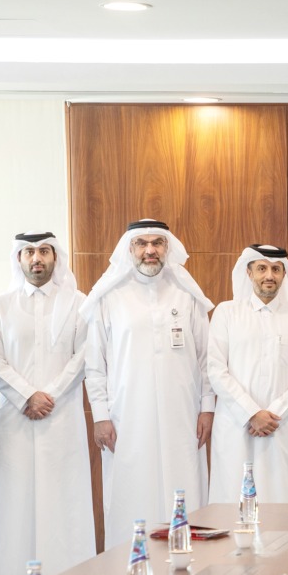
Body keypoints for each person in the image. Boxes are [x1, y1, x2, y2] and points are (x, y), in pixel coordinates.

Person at [82, 219, 215, 548]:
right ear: (130, 249)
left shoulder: (187, 295)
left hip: (182, 416)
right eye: (142, 244)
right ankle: (128, 564)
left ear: (167, 248)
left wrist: (207, 409)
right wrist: (100, 415)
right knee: (131, 490)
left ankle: (186, 561)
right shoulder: (109, 297)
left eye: (157, 243)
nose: (150, 250)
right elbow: (94, 364)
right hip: (127, 417)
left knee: (183, 484)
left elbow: (206, 359)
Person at [0, 232, 95, 575]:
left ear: (55, 257)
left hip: (61, 418)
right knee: (13, 498)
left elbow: (85, 356)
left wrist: (50, 396)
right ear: (19, 258)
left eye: (44, 251)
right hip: (15, 416)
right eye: (29, 252)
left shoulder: (79, 304)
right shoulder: (0, 305)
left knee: (63, 497)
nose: (36, 259)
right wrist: (27, 395)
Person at [207, 244, 288, 503]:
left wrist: (272, 414)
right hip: (236, 426)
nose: (269, 275)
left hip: (280, 426)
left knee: (278, 503)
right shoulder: (226, 313)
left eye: (276, 269)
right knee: (230, 503)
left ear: (283, 274)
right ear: (249, 272)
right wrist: (252, 413)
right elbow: (216, 369)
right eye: (262, 268)